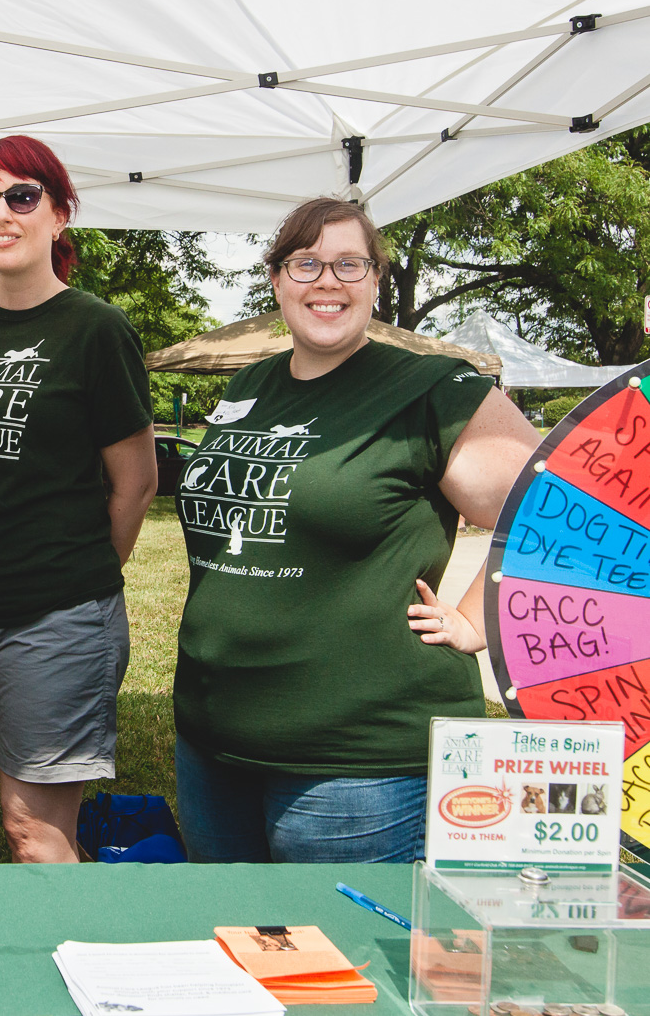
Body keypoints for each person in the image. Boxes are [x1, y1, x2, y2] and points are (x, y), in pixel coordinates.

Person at [172, 196, 541, 863]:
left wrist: (477, 620)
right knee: (236, 951)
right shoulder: (249, 385)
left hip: (356, 767)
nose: (328, 281)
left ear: (377, 279)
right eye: (306, 262)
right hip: (212, 742)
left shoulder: (432, 389)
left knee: (349, 962)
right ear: (277, 278)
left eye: (349, 263)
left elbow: (562, 507)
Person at [0, 135, 158, 864]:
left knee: (34, 832)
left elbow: (136, 480)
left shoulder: (95, 328)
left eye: (22, 196)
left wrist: (74, 575)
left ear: (59, 212)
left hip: (56, 617)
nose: (1, 214)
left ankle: (47, 971)